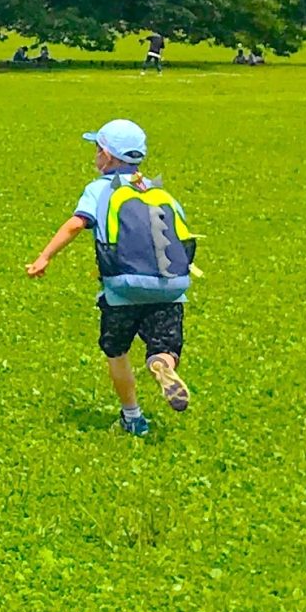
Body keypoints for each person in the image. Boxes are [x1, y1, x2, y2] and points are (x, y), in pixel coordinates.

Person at [25, 117, 195, 435]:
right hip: (169, 286)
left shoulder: (100, 189)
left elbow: (76, 224)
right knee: (164, 346)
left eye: (96, 150)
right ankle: (162, 365)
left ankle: (132, 417)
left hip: (121, 290)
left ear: (106, 155)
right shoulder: (156, 189)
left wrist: (44, 257)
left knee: (116, 352)